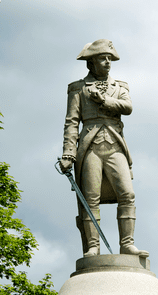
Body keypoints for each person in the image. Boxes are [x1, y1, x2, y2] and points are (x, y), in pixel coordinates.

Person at [59, 39, 148, 257]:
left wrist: (105, 100)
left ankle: (127, 244)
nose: (107, 62)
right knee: (90, 198)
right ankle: (93, 247)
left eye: (110, 58)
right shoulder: (78, 89)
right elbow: (72, 122)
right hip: (90, 147)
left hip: (115, 144)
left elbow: (128, 107)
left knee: (127, 193)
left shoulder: (120, 87)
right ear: (91, 62)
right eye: (102, 58)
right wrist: (69, 153)